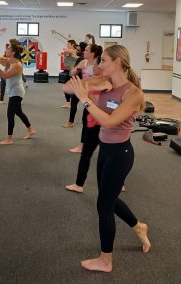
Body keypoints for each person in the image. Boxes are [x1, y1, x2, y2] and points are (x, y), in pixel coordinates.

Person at [68, 44, 151, 272]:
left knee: (103, 205)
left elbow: (110, 121)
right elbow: (67, 88)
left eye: (103, 60)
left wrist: (85, 98)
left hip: (120, 154)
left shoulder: (133, 93)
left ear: (117, 62)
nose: (99, 64)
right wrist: (84, 81)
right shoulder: (106, 84)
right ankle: (138, 227)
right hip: (105, 150)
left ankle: (106, 261)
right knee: (110, 199)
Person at [0, 42, 35, 145]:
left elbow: (4, 76)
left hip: (17, 92)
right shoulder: (9, 60)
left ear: (13, 52)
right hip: (13, 90)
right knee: (18, 112)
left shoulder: (17, 65)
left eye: (8, 49)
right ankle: (31, 129)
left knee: (10, 114)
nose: (6, 50)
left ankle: (9, 139)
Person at [60, 40, 78, 109]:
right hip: (70, 71)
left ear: (72, 44)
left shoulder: (73, 51)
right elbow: (65, 54)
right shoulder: (70, 52)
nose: (67, 45)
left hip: (72, 72)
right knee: (68, 87)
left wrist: (64, 51)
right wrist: (64, 54)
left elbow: (66, 51)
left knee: (67, 86)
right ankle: (68, 103)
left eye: (68, 44)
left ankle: (69, 103)